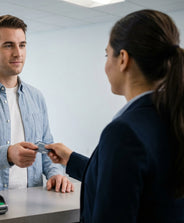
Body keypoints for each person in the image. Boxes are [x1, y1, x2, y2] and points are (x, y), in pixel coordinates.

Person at [47, 9, 184, 222]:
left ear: (123, 59)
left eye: (106, 54)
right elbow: (131, 181)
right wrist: (71, 159)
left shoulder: (124, 131)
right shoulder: (173, 117)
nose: (106, 64)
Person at [0, 15, 73, 193]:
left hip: (33, 201)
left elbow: (46, 146)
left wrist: (55, 173)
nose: (18, 53)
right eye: (8, 45)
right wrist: (7, 154)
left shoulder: (36, 96)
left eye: (22, 45)